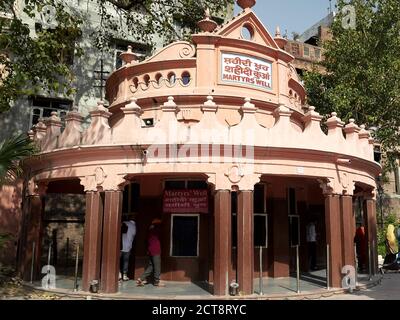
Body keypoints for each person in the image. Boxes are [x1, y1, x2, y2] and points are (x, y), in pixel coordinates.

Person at [136, 218, 165, 287]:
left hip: (150, 250)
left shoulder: (149, 230)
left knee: (151, 266)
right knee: (157, 266)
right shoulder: (156, 230)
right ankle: (156, 282)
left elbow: (146, 241)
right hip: (156, 250)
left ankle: (141, 279)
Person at [119, 214, 137, 281]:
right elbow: (133, 237)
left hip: (120, 246)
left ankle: (118, 274)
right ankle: (125, 275)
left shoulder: (124, 223)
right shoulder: (134, 227)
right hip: (128, 247)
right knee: (125, 261)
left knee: (118, 261)